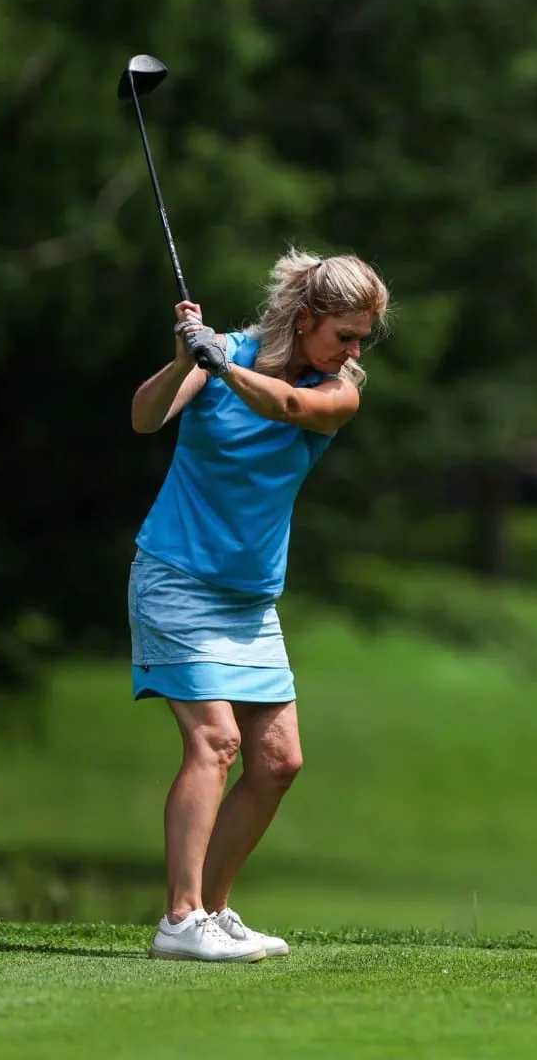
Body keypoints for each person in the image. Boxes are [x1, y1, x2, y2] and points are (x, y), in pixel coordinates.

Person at [126, 248, 389, 962]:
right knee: (216, 742)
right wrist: (186, 359)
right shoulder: (222, 357)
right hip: (177, 578)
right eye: (345, 334)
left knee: (278, 761)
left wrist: (219, 366)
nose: (354, 350)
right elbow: (145, 418)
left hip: (248, 600)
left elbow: (292, 406)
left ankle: (212, 908)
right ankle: (180, 920)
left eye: (363, 337)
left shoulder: (338, 391)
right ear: (305, 321)